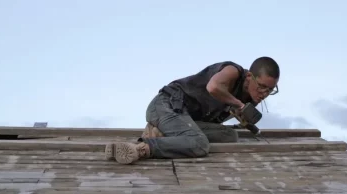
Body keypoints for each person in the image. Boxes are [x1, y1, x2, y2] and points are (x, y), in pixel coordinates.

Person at [105, 56, 280, 164]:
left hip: (185, 119)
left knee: (229, 136)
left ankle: (161, 134)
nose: (264, 93)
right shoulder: (232, 71)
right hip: (166, 105)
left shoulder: (250, 98)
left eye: (270, 90)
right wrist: (239, 105)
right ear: (249, 76)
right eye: (262, 86)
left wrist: (243, 118)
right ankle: (140, 149)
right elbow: (213, 87)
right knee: (199, 144)